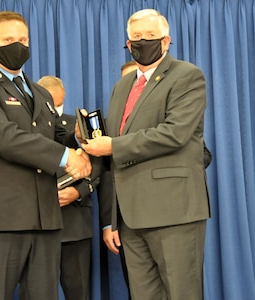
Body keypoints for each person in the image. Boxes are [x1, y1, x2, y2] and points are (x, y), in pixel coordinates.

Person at [0, 11, 92, 300]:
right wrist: (68, 156)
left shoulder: (39, 92)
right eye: (8, 39)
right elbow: (4, 138)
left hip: (46, 220)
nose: (17, 45)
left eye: (23, 39)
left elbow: (51, 136)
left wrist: (80, 142)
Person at [82, 9, 210, 300]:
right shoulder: (122, 86)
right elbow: (114, 146)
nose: (142, 41)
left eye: (150, 36)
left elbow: (174, 133)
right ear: (127, 44)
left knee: (182, 293)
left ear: (166, 41)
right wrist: (90, 141)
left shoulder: (188, 76)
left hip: (173, 210)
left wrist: (112, 146)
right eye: (136, 37)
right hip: (129, 217)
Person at [37, 75, 102, 300]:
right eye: (52, 105)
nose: (56, 111)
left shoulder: (76, 127)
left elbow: (99, 167)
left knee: (78, 292)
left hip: (74, 227)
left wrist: (78, 192)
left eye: (60, 104)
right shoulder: (22, 130)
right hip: (37, 227)